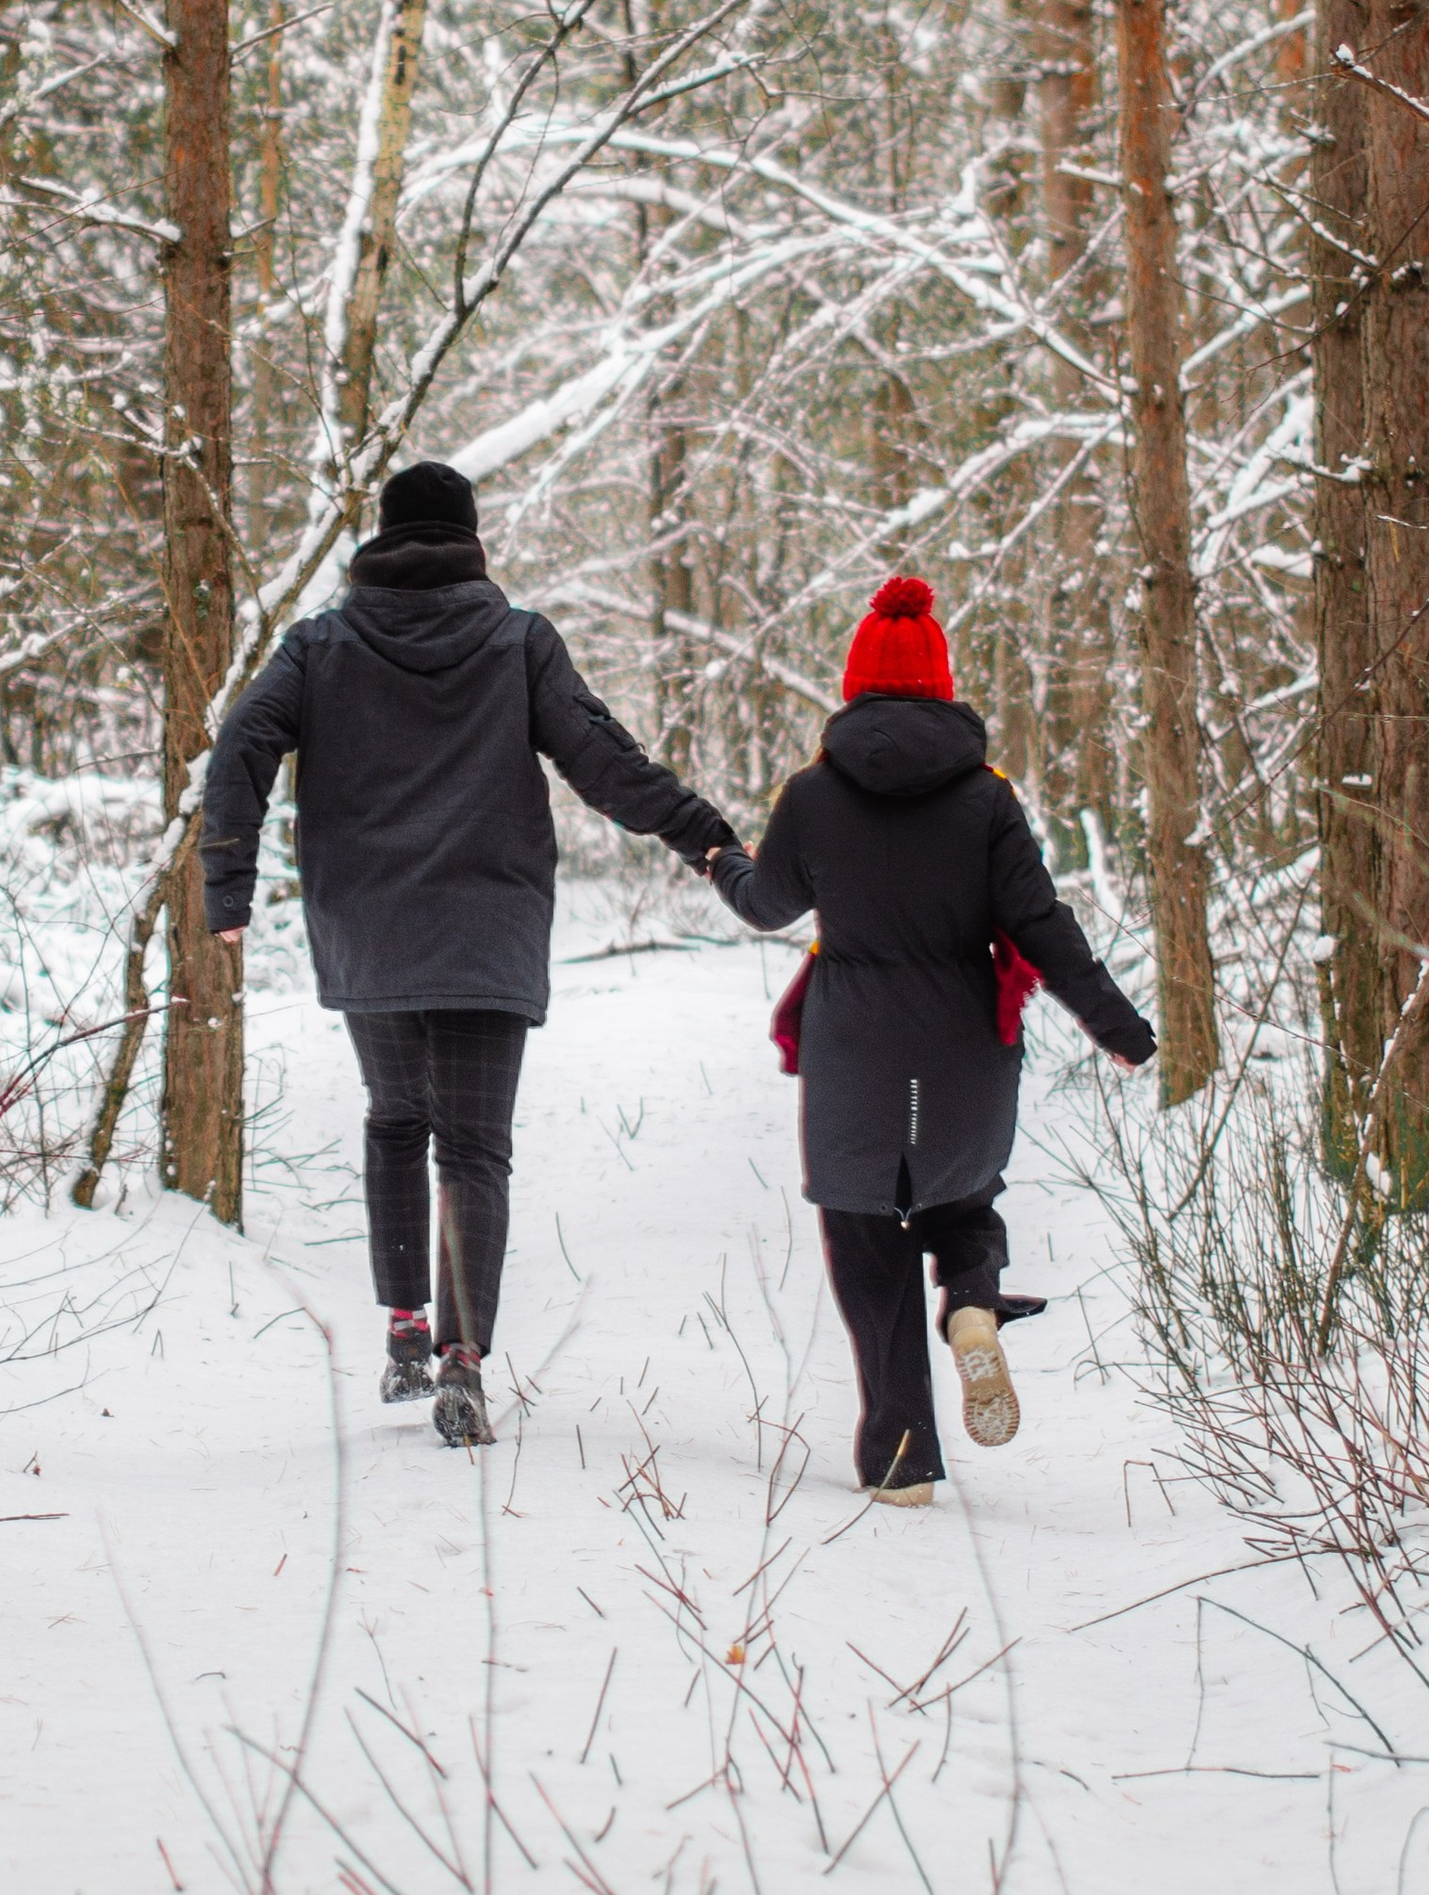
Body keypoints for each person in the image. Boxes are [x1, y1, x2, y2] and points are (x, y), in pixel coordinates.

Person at [203, 459, 736, 1447]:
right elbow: (605, 765)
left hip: (367, 933)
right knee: (474, 1150)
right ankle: (461, 1360)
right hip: (489, 935)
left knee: (397, 1119)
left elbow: (239, 742)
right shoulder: (515, 640)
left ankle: (406, 1329)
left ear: (379, 540)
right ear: (470, 540)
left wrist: (225, 887)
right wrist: (706, 838)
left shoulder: (319, 644)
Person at [707, 574, 1154, 1507]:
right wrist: (1117, 1025)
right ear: (944, 684)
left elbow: (767, 904)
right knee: (963, 1196)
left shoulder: (814, 793)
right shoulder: (987, 799)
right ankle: (971, 1302)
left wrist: (726, 862)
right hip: (962, 1046)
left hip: (853, 1052)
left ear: (856, 681)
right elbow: (1042, 925)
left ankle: (901, 1454)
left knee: (865, 1232)